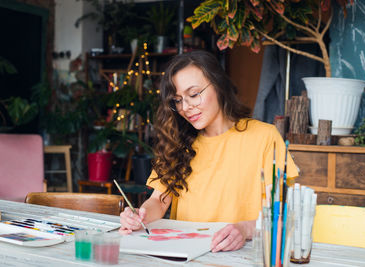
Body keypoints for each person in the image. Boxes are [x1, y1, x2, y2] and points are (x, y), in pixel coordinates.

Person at [119, 50, 298, 252]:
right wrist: (138, 215)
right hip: (185, 254)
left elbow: (282, 214)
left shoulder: (265, 137)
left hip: (244, 256)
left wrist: (245, 229)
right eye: (177, 100)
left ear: (219, 86)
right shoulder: (176, 142)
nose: (185, 107)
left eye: (194, 95)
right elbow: (158, 203)